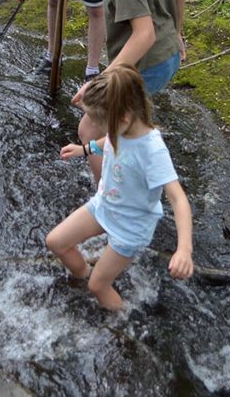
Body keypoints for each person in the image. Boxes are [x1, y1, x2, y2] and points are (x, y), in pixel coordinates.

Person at [46, 65, 194, 310]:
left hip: (130, 226)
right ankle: (83, 274)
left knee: (99, 286)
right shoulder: (123, 127)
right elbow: (111, 140)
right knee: (56, 242)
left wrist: (184, 250)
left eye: (100, 122)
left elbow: (178, 199)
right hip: (104, 205)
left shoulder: (152, 151)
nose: (95, 126)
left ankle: (123, 320)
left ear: (123, 118)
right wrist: (85, 149)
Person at [68, 0, 187, 185]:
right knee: (125, 122)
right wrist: (177, 34)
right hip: (169, 53)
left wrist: (101, 81)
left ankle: (107, 201)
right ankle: (135, 158)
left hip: (147, 64)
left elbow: (143, 36)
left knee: (88, 131)